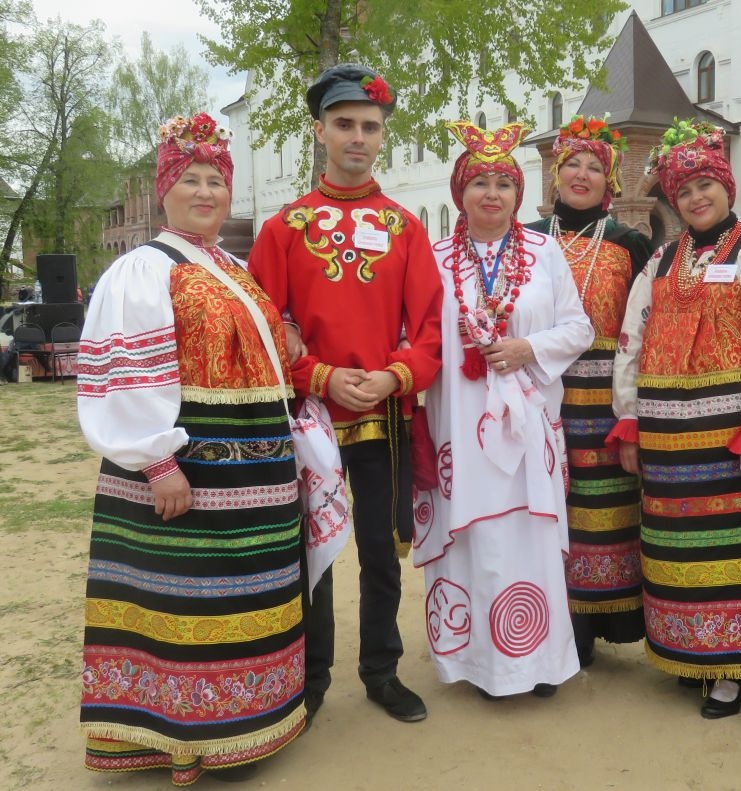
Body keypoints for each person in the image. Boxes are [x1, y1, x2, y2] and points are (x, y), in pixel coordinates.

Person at [77, 112, 305, 784]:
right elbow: (126, 371)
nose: (206, 192)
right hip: (191, 469)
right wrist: (157, 459)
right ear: (165, 190)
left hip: (253, 476)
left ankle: (244, 727)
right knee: (185, 602)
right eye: (192, 180)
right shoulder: (143, 268)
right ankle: (183, 737)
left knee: (237, 596)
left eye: (217, 181)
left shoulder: (230, 265)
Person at [248, 64, 443, 725]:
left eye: (370, 127)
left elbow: (431, 326)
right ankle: (312, 677)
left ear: (382, 136)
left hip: (384, 412)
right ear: (320, 131)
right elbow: (264, 326)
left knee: (380, 553)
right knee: (316, 554)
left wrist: (395, 375)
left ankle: (382, 671)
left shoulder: (405, 227)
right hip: (310, 420)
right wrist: (321, 378)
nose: (358, 138)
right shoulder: (284, 229)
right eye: (345, 125)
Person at [609, 119, 741, 719]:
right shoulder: (662, 259)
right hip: (670, 442)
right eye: (684, 190)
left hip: (731, 435)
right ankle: (689, 651)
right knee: (678, 549)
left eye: (705, 186)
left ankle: (735, 668)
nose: (696, 198)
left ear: (727, 187)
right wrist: (629, 418)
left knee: (738, 550)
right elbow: (630, 339)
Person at [413, 120, 593, 699]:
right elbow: (409, 335)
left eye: (504, 183)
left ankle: (537, 660)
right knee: (473, 541)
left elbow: (579, 327)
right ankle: (475, 665)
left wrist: (529, 348)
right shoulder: (433, 259)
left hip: (527, 424)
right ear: (459, 193)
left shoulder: (545, 253)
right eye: (479, 182)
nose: (492, 193)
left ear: (520, 193)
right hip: (458, 430)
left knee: (527, 537)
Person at [524, 114, 653, 667]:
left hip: (606, 396)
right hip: (539, 392)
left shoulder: (630, 243)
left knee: (606, 509)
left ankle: (603, 617)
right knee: (552, 506)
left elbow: (648, 322)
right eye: (570, 164)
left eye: (593, 167)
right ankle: (559, 619)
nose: (581, 175)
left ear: (611, 181)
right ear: (555, 176)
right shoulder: (527, 238)